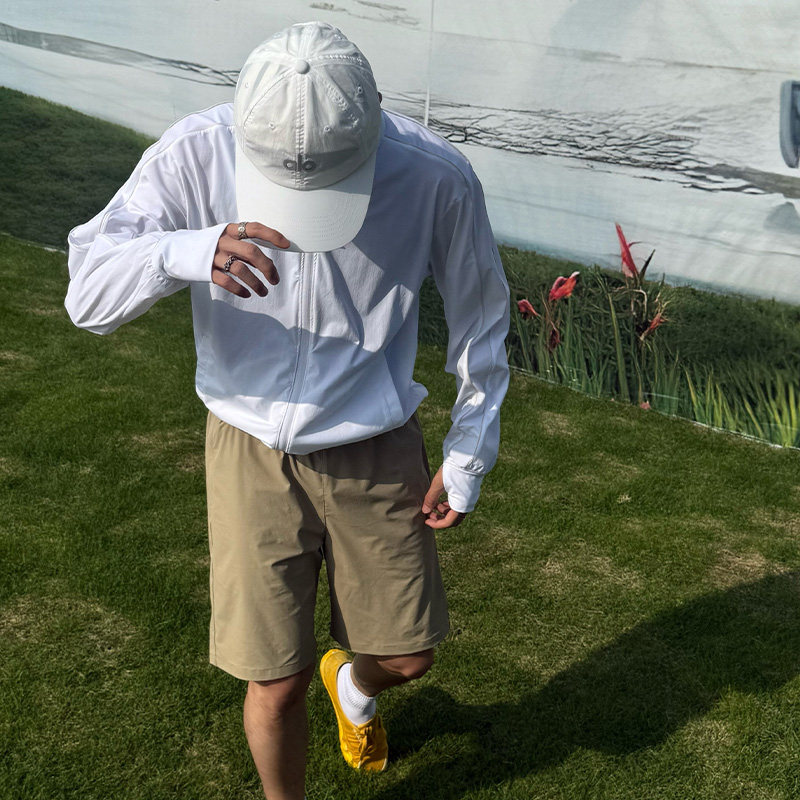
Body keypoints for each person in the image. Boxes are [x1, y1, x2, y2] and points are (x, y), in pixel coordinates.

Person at [65, 20, 510, 800]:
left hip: (376, 446)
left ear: (374, 119)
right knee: (275, 681)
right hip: (248, 449)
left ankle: (356, 685)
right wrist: (185, 251)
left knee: (409, 655)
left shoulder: (435, 175)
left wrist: (469, 451)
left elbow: (482, 317)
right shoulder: (195, 151)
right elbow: (87, 296)